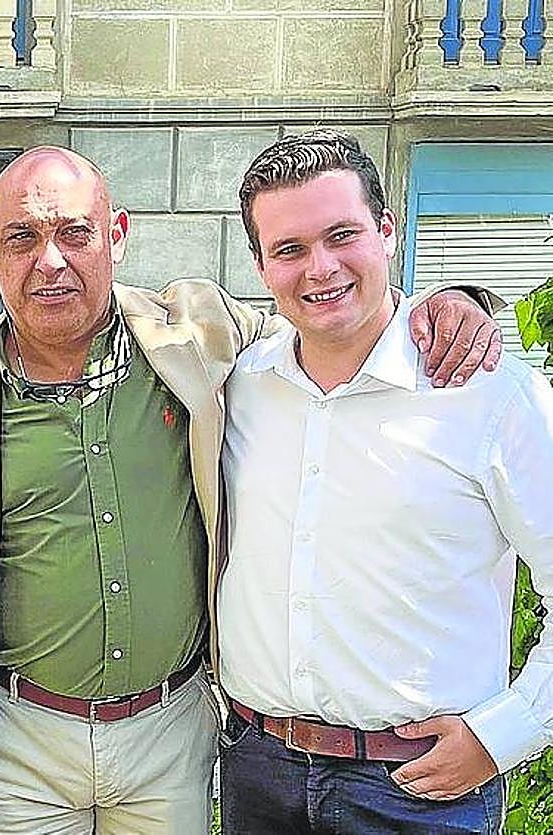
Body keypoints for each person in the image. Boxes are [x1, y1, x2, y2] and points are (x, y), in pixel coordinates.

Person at [0, 144, 501, 835]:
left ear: (116, 235)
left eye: (74, 233)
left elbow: (332, 321)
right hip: (18, 742)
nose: (50, 261)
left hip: (169, 736)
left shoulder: (198, 332)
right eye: (23, 238)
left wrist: (445, 306)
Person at [217, 129, 553, 833]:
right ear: (260, 263)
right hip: (257, 771)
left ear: (388, 231)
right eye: (290, 249)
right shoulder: (240, 386)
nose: (320, 268)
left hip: (420, 787)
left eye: (342, 235)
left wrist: (509, 731)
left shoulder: (490, 395)